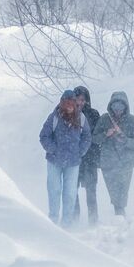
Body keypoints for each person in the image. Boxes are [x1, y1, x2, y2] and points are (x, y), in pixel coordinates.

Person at [39, 89, 91, 227]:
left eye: (72, 103)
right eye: (66, 102)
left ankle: (66, 224)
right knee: (54, 190)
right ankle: (53, 221)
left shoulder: (81, 118)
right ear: (62, 103)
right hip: (54, 161)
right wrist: (53, 149)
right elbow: (44, 136)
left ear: (75, 104)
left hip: (73, 162)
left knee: (70, 193)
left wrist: (80, 151)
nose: (69, 106)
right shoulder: (54, 117)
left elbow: (87, 137)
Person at [93, 90, 134, 216]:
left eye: (121, 106)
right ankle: (119, 211)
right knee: (112, 189)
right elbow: (94, 138)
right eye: (115, 106)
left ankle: (120, 212)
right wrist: (106, 134)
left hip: (126, 161)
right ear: (111, 106)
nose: (118, 109)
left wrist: (125, 140)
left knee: (123, 188)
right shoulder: (104, 119)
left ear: (126, 106)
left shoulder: (132, 120)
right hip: (108, 160)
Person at [71, 85, 101, 225]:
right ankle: (74, 220)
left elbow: (97, 135)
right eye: (78, 99)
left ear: (87, 100)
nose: (80, 102)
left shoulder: (94, 114)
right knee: (72, 192)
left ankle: (93, 222)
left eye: (83, 99)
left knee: (91, 192)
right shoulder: (67, 113)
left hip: (90, 158)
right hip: (74, 159)